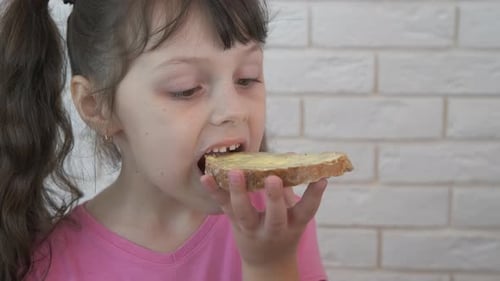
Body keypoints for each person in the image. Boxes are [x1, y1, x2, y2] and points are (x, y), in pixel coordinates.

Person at [0, 0, 329, 280]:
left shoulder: (277, 221)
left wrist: (271, 265)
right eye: (185, 89)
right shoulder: (53, 266)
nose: (233, 110)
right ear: (96, 106)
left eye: (247, 78)